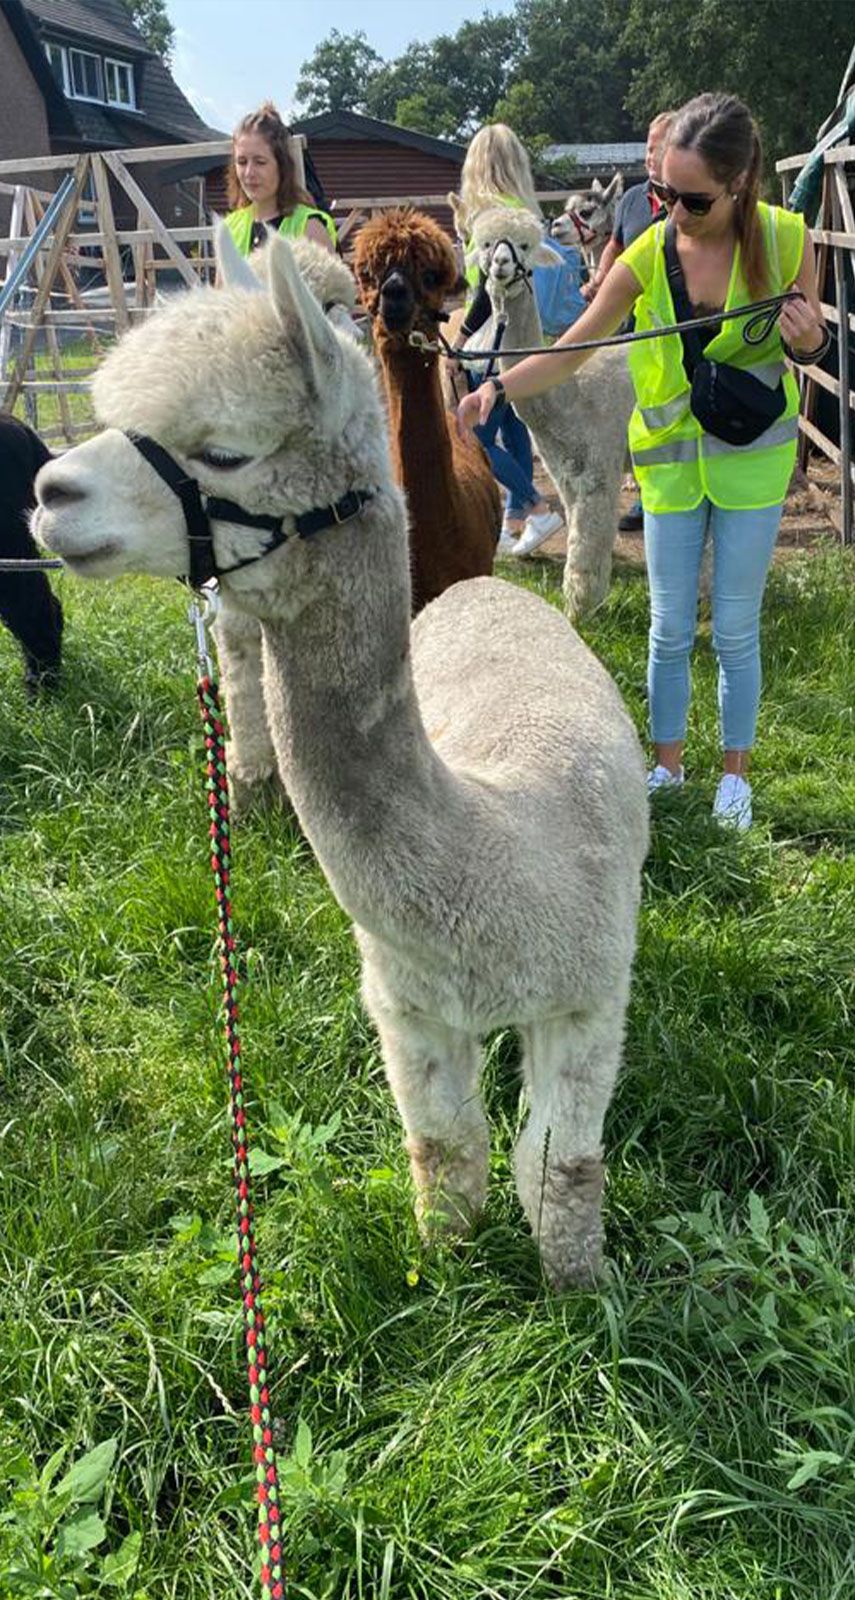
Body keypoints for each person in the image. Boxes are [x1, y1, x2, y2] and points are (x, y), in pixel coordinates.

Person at [457, 94, 827, 830]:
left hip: (751, 461)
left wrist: (811, 340)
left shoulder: (786, 240)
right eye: (663, 194)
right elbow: (573, 348)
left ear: (738, 182)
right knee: (664, 629)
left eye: (692, 199)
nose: (675, 212)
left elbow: (806, 349)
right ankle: (665, 766)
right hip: (668, 467)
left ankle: (734, 777)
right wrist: (496, 386)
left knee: (732, 630)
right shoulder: (647, 252)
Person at [456, 123, 563, 557]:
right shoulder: (522, 212)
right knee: (515, 426)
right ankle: (516, 517)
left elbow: (486, 291)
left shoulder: (489, 217)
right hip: (521, 336)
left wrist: (461, 336)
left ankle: (537, 508)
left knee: (476, 435)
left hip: (490, 336)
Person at [583, 111, 676, 532]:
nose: (649, 156)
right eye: (647, 147)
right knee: (638, 406)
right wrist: (601, 278)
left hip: (675, 324)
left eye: (656, 148)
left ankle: (673, 491)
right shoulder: (632, 200)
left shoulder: (689, 201)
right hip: (631, 321)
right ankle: (645, 492)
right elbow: (615, 246)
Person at [224, 102, 336, 257]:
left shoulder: (310, 228)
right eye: (242, 162)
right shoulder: (229, 229)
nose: (249, 173)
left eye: (260, 162)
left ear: (282, 165)